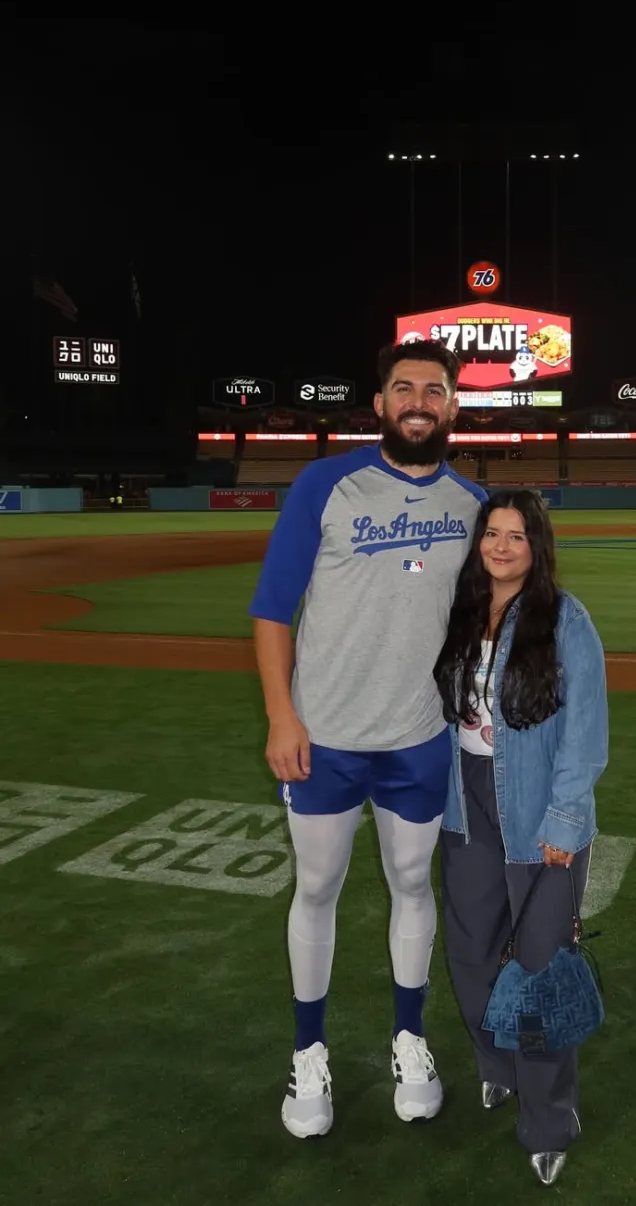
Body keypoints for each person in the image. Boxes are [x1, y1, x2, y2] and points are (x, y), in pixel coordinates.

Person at [249, 339, 487, 1139]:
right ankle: (308, 1050)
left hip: (418, 736)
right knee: (316, 886)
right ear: (380, 403)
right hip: (323, 736)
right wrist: (281, 715)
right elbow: (273, 607)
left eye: (434, 389)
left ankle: (409, 1039)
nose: (419, 400)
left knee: (413, 882)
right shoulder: (325, 483)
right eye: (403, 387)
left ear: (452, 406)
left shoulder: (472, 503)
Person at [433, 489, 609, 1188]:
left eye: (516, 536)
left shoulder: (566, 619)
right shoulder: (461, 609)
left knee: (538, 969)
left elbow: (585, 731)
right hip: (465, 803)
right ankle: (497, 1064)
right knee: (471, 952)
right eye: (491, 533)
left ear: (537, 546)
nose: (501, 547)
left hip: (539, 811)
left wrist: (564, 821)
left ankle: (547, 1119)